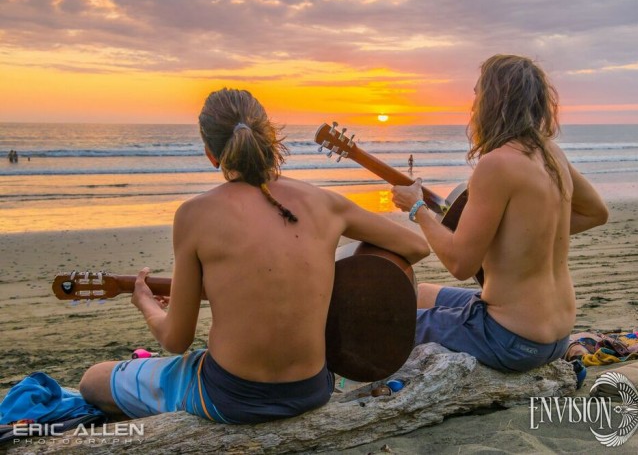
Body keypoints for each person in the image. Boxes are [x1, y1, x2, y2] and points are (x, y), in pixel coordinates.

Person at [79, 88, 430, 423]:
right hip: (312, 389)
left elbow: (176, 340)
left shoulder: (194, 215)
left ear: (210, 153)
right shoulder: (324, 202)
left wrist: (147, 303)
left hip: (230, 397)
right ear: (270, 138)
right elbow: (416, 247)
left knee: (93, 380)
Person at [391, 54, 608, 372]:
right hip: (556, 336)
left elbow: (461, 264)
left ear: (494, 101)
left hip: (511, 339)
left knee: (388, 325)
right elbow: (596, 213)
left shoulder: (496, 164)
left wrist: (417, 209)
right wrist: (526, 236)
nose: (473, 104)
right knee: (422, 293)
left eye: (477, 94)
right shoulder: (551, 154)